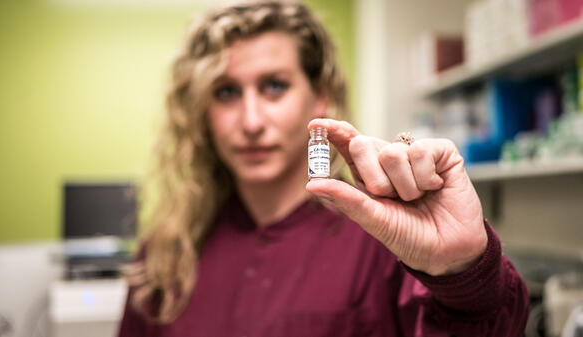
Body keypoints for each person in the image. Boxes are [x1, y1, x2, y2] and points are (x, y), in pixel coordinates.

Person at [118, 1, 529, 336]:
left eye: (274, 86)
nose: (251, 121)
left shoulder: (387, 238)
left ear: (319, 98)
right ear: (202, 112)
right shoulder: (168, 252)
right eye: (226, 92)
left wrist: (462, 270)